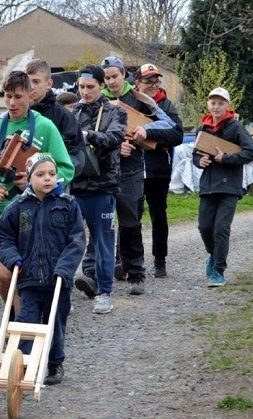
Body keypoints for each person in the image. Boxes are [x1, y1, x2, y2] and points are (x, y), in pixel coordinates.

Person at [0, 70, 74, 315]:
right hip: (2, 213)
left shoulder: (45, 127)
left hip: (37, 211)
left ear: (30, 95)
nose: (12, 102)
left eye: (18, 96)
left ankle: (28, 325)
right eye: (8, 96)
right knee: (3, 275)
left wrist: (36, 184)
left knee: (32, 274)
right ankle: (18, 320)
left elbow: (66, 168)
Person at [0, 154, 85, 384]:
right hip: (29, 278)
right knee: (27, 322)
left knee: (55, 321)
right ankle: (23, 364)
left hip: (58, 279)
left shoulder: (67, 205)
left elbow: (76, 240)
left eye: (51, 174)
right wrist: (12, 258)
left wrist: (65, 269)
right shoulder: (18, 206)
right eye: (41, 175)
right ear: (29, 177)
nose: (47, 179)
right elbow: (2, 237)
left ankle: (54, 363)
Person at [100, 55, 177, 295]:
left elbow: (172, 129)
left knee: (131, 221)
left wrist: (147, 129)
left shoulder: (139, 99)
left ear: (124, 75)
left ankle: (137, 274)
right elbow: (89, 134)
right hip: (104, 169)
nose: (111, 81)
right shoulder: (99, 99)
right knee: (101, 224)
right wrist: (113, 146)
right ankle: (100, 274)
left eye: (115, 76)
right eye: (107, 77)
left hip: (134, 169)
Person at [70, 65, 127, 314]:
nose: (85, 92)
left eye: (90, 87)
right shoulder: (72, 112)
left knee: (104, 241)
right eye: (81, 87)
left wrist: (88, 135)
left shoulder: (115, 112)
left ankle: (104, 292)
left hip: (103, 188)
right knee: (68, 241)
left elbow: (115, 139)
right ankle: (61, 293)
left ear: (101, 85)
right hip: (76, 186)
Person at [192, 87, 253, 286]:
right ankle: (213, 255)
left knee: (221, 229)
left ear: (228, 106)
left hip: (229, 186)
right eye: (213, 102)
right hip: (208, 186)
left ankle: (218, 271)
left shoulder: (235, 127)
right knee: (204, 227)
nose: (216, 106)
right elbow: (195, 155)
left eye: (221, 103)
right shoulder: (201, 129)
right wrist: (199, 161)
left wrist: (226, 158)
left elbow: (252, 153)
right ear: (208, 104)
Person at [133, 63, 184, 278]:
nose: (153, 85)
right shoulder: (130, 103)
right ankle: (128, 261)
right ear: (137, 83)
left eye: (156, 81)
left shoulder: (166, 105)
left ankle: (159, 260)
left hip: (158, 170)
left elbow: (177, 135)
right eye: (148, 81)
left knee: (158, 216)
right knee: (131, 216)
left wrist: (148, 134)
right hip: (132, 169)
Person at [25, 58, 86, 174]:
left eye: (36, 82)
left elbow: (76, 157)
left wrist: (53, 176)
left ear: (48, 84)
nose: (31, 86)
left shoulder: (64, 116)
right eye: (28, 82)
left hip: (54, 185)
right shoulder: (18, 113)